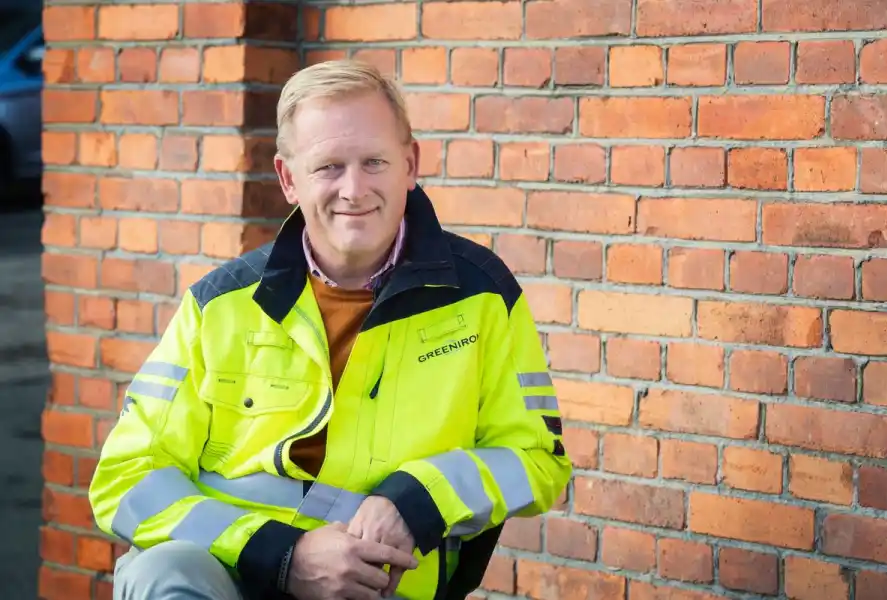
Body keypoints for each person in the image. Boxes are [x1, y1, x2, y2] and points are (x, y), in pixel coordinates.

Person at [88, 59, 572, 600]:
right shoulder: (218, 306)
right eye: (329, 167)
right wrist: (281, 556)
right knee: (161, 572)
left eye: (374, 162)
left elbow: (537, 458)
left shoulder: (482, 297)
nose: (353, 188)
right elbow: (127, 479)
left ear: (410, 165)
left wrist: (418, 501)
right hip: (233, 574)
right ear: (289, 179)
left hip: (381, 588)